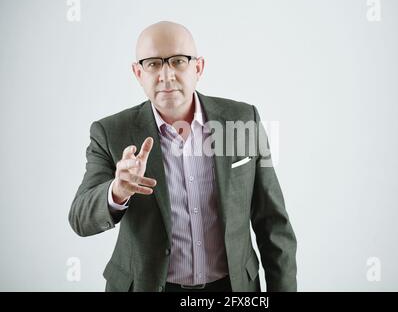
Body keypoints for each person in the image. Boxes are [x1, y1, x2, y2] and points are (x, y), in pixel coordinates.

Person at [69, 21, 297, 292]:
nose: (166, 75)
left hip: (233, 288)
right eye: (153, 64)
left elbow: (273, 224)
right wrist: (116, 192)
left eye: (178, 61)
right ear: (137, 73)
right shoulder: (110, 132)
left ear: (198, 68)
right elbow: (80, 219)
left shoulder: (244, 120)